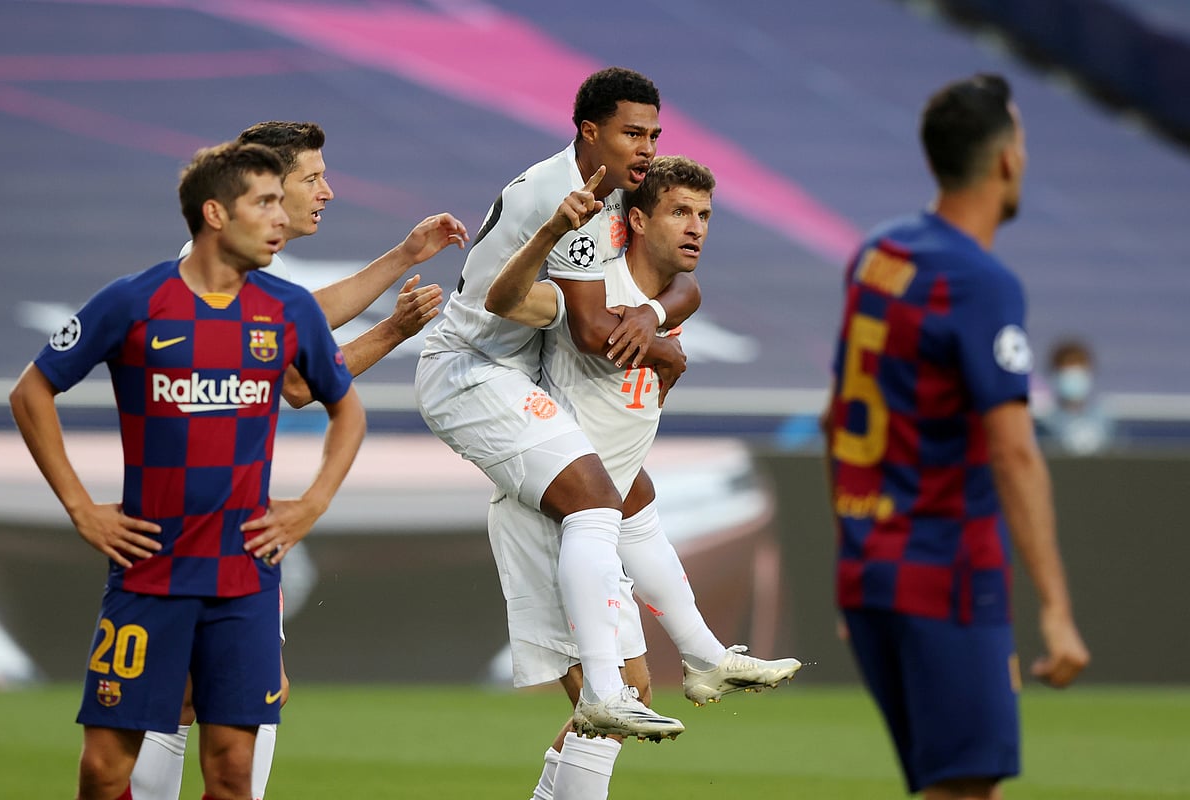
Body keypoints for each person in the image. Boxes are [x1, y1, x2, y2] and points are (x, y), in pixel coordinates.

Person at [9, 141, 367, 800]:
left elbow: (348, 411)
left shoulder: (289, 310)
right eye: (263, 203)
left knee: (232, 773)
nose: (279, 218)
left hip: (245, 576)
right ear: (214, 214)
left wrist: (312, 504)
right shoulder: (134, 301)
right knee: (102, 770)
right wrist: (82, 509)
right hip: (150, 572)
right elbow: (31, 391)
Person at [132, 120, 468, 800]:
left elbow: (298, 363)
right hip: (203, 522)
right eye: (311, 179)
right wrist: (398, 283)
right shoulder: (222, 275)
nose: (327, 192)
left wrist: (398, 298)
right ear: (265, 186)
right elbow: (297, 359)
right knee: (237, 694)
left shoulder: (236, 273)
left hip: (208, 515)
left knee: (187, 697)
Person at [485, 155, 802, 800]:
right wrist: (658, 343)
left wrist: (658, 328)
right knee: (615, 698)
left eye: (705, 215)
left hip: (602, 505)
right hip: (553, 520)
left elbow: (684, 298)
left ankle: (704, 653)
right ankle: (701, 655)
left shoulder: (670, 296)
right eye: (680, 212)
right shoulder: (591, 280)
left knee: (622, 699)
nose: (696, 228)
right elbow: (560, 314)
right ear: (636, 219)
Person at [821, 74, 1090, 799]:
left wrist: (859, 555)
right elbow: (1013, 450)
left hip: (872, 570)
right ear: (1006, 160)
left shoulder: (878, 254)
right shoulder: (979, 282)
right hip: (945, 574)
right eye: (1024, 142)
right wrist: (1058, 612)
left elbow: (836, 417)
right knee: (967, 788)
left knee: (959, 788)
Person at [416, 66, 696, 740]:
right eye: (634, 133)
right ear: (590, 132)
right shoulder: (572, 198)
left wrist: (653, 316)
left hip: (525, 377)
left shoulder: (602, 193)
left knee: (621, 501)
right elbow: (595, 332)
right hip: (474, 371)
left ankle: (659, 666)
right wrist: (662, 348)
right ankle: (619, 677)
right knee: (601, 500)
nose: (648, 147)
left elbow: (676, 283)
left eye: (655, 134)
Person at [1036, 338, 1115, 455]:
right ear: (1054, 375)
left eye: (1078, 370)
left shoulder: (1105, 419)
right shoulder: (1045, 423)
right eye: (1066, 372)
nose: (1073, 377)